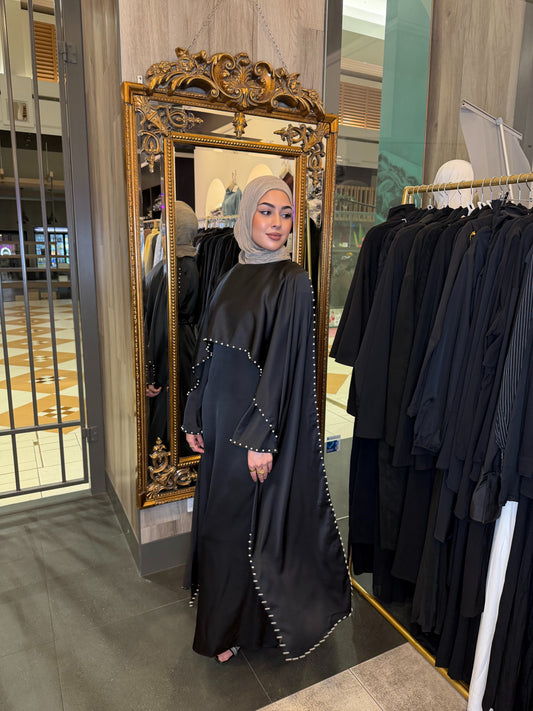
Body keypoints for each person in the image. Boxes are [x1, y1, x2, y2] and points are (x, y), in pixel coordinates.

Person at [182, 175, 351, 663]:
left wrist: (261, 437)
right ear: (247, 215)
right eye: (267, 211)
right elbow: (208, 350)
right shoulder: (233, 271)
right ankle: (232, 622)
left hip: (249, 426)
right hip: (219, 420)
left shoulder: (292, 280)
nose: (277, 223)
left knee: (237, 527)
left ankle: (227, 629)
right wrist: (194, 412)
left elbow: (282, 365)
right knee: (221, 522)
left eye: (286, 214)